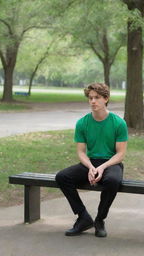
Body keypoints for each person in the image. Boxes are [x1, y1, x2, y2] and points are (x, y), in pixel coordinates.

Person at [56, 82, 128, 238]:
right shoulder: (82, 123)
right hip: (91, 162)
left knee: (112, 181)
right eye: (90, 98)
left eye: (97, 98)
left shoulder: (119, 123)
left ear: (106, 99)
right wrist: (90, 166)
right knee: (62, 177)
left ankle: (100, 220)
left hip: (111, 163)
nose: (93, 101)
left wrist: (102, 167)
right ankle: (83, 217)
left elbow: (120, 154)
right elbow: (81, 152)